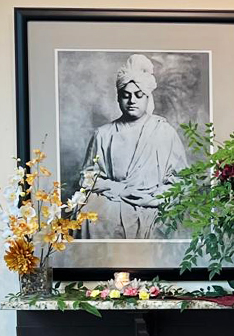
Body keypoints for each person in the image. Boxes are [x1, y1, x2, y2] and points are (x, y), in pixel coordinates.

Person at [80, 54, 188, 240]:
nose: (132, 101)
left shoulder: (164, 132)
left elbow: (182, 179)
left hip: (154, 199)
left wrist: (156, 197)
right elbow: (87, 178)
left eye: (138, 95)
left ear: (147, 98)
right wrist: (120, 190)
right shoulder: (103, 134)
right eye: (126, 95)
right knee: (89, 213)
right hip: (114, 200)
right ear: (118, 98)